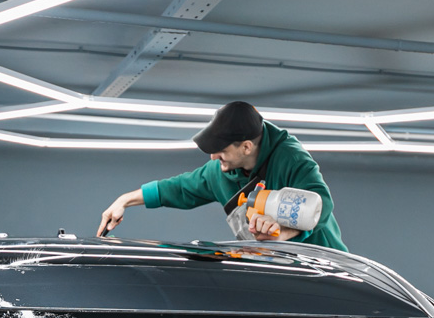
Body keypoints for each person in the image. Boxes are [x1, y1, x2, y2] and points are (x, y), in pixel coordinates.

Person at [96, 100, 346, 251]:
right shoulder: (219, 172)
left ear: (246, 147)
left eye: (221, 151)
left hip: (323, 264)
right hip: (276, 266)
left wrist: (282, 233)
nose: (213, 157)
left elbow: (321, 205)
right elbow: (179, 188)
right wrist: (124, 200)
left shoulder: (290, 158)